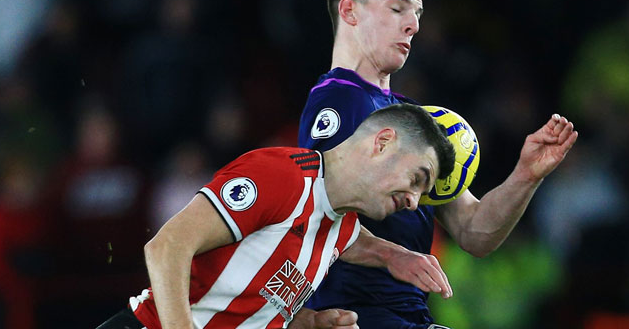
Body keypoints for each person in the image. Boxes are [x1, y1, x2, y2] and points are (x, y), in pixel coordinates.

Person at [295, 0, 578, 329]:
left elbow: (474, 231)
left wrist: (526, 175)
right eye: (397, 8)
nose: (412, 24)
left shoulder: (415, 118)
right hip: (352, 315)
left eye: (417, 14)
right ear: (350, 12)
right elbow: (316, 212)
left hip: (410, 316)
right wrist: (394, 255)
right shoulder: (339, 99)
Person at [96, 103, 457, 329]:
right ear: (382, 143)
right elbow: (167, 246)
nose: (413, 200)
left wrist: (304, 323)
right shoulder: (281, 176)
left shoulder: (342, 228)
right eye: (417, 179)